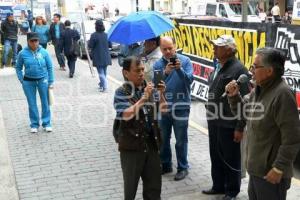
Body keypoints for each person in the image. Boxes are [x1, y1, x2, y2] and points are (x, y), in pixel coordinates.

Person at [225, 47, 300, 200]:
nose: (251, 70)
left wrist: (279, 168)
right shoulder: (259, 90)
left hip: (271, 174)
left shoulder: (282, 95)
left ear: (269, 71)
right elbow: (243, 114)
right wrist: (234, 97)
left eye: (255, 66)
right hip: (257, 170)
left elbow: (292, 138)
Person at [202, 35, 249, 200]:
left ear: (229, 50)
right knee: (216, 155)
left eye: (218, 46)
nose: (214, 48)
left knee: (231, 158)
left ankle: (232, 191)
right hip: (215, 121)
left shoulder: (239, 70)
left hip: (229, 123)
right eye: (214, 45)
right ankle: (218, 185)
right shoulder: (219, 66)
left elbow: (244, 103)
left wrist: (239, 127)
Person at [113, 56, 167, 200]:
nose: (141, 73)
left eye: (143, 69)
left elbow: (164, 109)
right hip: (131, 146)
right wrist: (143, 99)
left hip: (151, 142)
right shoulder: (121, 92)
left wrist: (161, 94)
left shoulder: (148, 87)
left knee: (154, 187)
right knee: (130, 189)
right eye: (137, 70)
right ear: (126, 73)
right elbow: (126, 114)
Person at [153, 36, 193, 181]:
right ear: (161, 49)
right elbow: (156, 87)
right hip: (164, 107)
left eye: (170, 48)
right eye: (165, 49)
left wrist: (179, 69)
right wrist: (166, 72)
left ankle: (183, 167)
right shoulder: (158, 64)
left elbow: (189, 81)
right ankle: (166, 164)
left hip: (181, 107)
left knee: (181, 139)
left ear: (175, 46)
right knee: (163, 138)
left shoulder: (185, 61)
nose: (168, 51)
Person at [16, 32, 54, 133]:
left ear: (38, 41)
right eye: (32, 41)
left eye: (36, 41)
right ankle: (34, 124)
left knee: (45, 102)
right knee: (32, 104)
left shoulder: (44, 52)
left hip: (43, 81)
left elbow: (50, 67)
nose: (34, 43)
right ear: (28, 41)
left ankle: (46, 123)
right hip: (28, 82)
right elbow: (18, 67)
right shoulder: (22, 53)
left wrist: (51, 81)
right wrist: (21, 79)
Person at [88, 19, 112, 92]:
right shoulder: (106, 35)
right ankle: (101, 85)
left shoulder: (94, 35)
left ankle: (105, 87)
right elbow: (110, 45)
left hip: (98, 56)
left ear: (96, 26)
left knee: (101, 72)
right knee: (104, 72)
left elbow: (90, 45)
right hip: (106, 56)